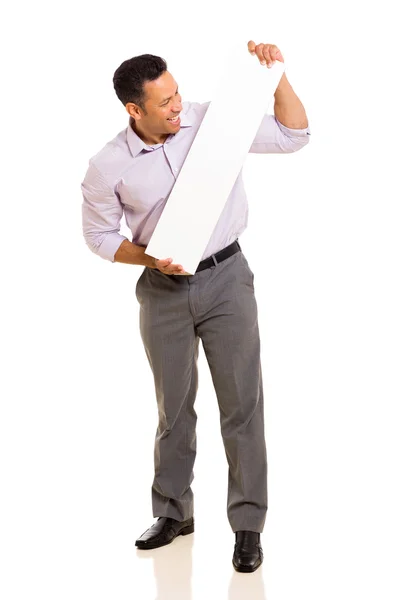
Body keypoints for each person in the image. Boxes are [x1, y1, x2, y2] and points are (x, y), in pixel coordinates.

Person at [81, 40, 310, 573]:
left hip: (227, 279)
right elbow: (96, 235)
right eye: (165, 103)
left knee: (242, 405)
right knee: (173, 410)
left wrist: (274, 76)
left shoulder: (211, 123)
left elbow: (294, 135)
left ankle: (248, 526)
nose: (178, 106)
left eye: (178, 92)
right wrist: (149, 259)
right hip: (162, 292)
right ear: (134, 110)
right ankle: (173, 513)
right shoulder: (106, 165)